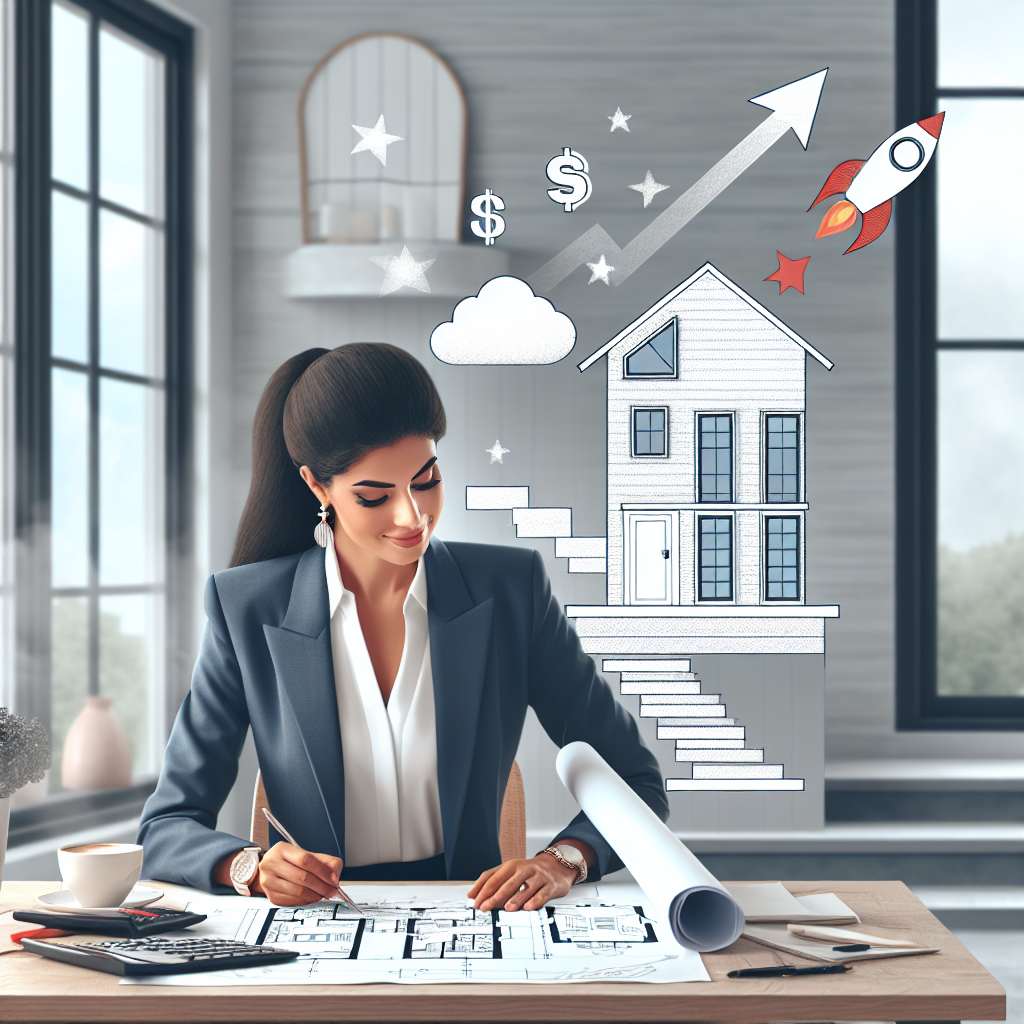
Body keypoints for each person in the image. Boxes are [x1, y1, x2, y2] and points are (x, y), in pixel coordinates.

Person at [139, 343, 667, 912]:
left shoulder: (511, 590)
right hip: (318, 926)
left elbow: (634, 781)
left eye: (425, 479)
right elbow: (168, 825)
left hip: (470, 916)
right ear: (319, 488)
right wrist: (251, 867)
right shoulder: (246, 607)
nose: (411, 517)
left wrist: (563, 861)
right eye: (374, 495)